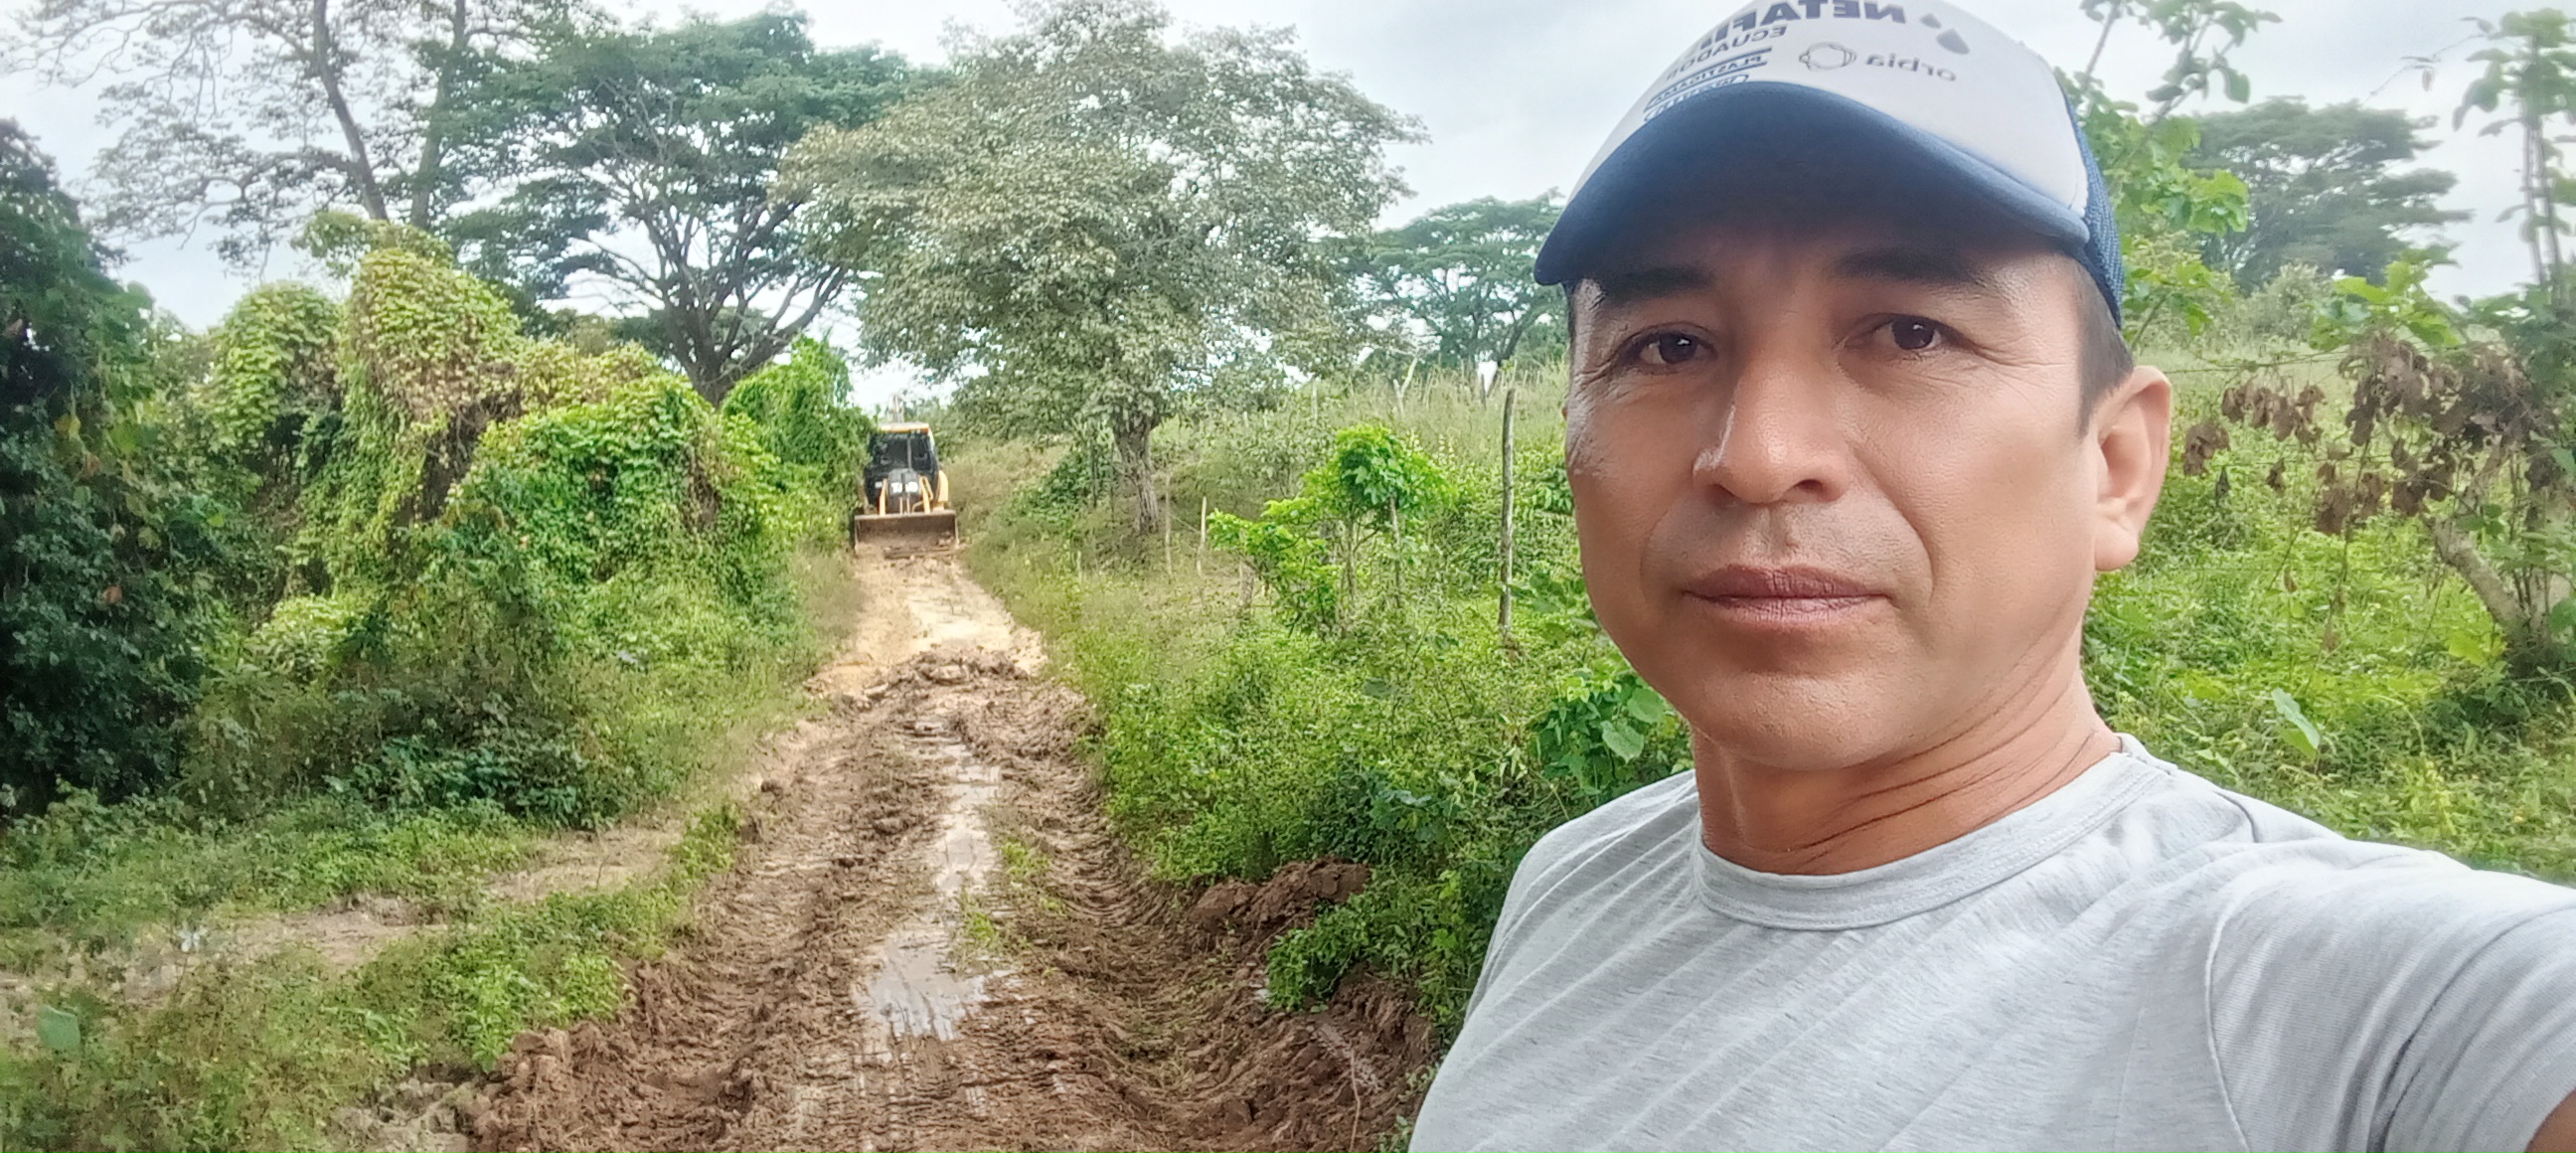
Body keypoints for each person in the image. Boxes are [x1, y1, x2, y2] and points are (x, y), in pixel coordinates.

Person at [1406, 4, 2576, 1151]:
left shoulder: (2362, 1007)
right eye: (1668, 345)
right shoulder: (1574, 884)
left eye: (1910, 332)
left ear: (2115, 465)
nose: (1757, 455)